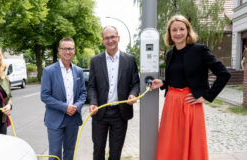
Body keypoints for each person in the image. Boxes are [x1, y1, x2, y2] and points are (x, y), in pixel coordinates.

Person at [150, 15, 231, 160]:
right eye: (174, 30)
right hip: (171, 104)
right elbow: (177, 77)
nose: (178, 33)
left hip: (190, 103)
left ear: (188, 31)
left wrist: (207, 96)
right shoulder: (170, 54)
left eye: (182, 29)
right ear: (169, 33)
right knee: (170, 143)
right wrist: (163, 83)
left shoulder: (199, 50)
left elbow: (224, 74)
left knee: (192, 146)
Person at [88, 26, 140, 160]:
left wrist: (133, 94)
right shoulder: (95, 61)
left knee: (115, 153)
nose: (110, 40)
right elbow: (92, 86)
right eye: (107, 38)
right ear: (103, 41)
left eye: (113, 37)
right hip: (100, 113)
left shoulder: (129, 59)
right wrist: (93, 102)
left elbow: (135, 83)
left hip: (120, 113)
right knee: (98, 150)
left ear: (118, 38)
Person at [40, 38, 87, 160]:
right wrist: (65, 107)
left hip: (73, 118)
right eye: (65, 49)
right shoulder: (49, 71)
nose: (68, 51)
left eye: (71, 48)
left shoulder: (79, 71)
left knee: (70, 152)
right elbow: (45, 95)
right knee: (55, 153)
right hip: (55, 118)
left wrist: (77, 105)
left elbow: (83, 93)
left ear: (74, 51)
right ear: (59, 51)